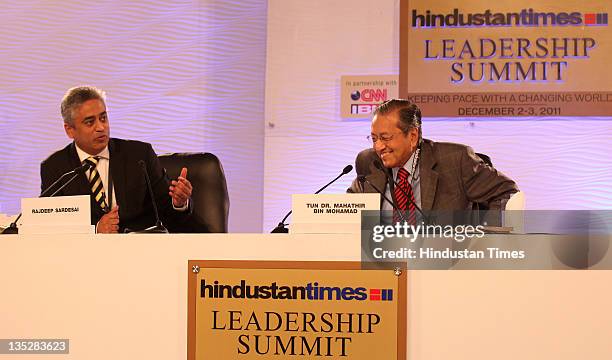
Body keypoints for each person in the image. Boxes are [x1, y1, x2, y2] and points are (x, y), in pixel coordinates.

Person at [40, 86, 193, 233]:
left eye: (103, 118)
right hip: (85, 255)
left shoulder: (140, 155)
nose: (100, 127)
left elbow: (167, 213)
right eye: (89, 122)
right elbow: (53, 226)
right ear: (70, 130)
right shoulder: (55, 167)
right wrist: (95, 230)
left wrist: (178, 203)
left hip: (141, 250)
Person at [348, 99, 518, 218]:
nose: (378, 147)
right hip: (382, 262)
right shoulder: (369, 163)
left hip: (442, 262)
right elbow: (346, 214)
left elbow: (506, 192)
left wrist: (484, 238)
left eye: (385, 138)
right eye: (374, 138)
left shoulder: (454, 160)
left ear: (413, 136)